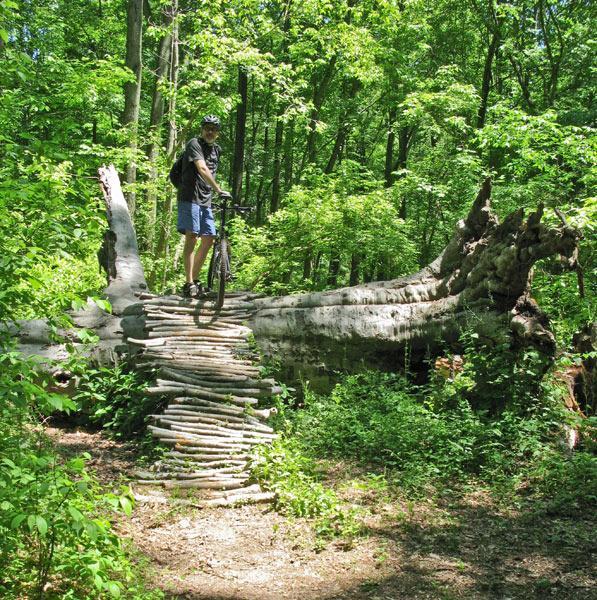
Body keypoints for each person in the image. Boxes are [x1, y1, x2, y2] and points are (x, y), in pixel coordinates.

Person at [176, 115, 231, 298]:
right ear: (202, 129)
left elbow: (211, 171)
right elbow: (202, 169)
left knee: (208, 238)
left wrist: (213, 191)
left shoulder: (216, 150)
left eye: (214, 129)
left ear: (218, 133)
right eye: (207, 128)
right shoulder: (194, 144)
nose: (210, 132)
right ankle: (188, 282)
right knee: (191, 237)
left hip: (205, 199)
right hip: (189, 197)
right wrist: (218, 189)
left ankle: (195, 278)